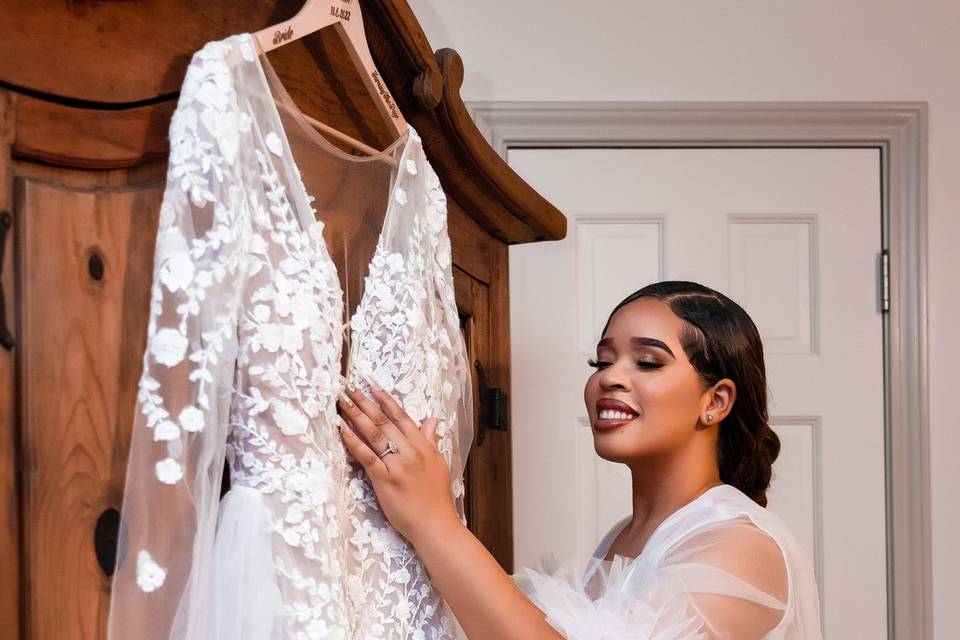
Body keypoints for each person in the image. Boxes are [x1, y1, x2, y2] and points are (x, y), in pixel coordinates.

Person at [336, 281, 823, 639]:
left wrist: (433, 521)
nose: (611, 378)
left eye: (648, 362)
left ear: (715, 401)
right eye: (603, 361)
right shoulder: (624, 536)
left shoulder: (740, 545)